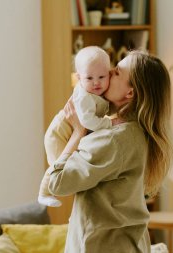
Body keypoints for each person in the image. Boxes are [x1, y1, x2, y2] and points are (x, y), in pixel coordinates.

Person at [48, 50, 173, 252]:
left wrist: (77, 133)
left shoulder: (113, 139)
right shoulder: (135, 132)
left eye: (116, 72)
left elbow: (57, 182)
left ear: (130, 93)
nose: (107, 72)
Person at [38, 46, 116, 207]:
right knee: (58, 167)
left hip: (71, 133)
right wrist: (109, 123)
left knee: (71, 169)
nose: (96, 82)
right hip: (58, 134)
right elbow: (87, 122)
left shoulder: (97, 92)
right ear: (79, 78)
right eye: (89, 78)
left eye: (102, 76)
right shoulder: (83, 96)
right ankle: (44, 193)